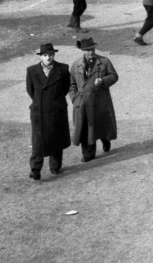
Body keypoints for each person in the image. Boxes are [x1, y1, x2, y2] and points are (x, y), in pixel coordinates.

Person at [68, 38, 118, 162]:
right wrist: (75, 98)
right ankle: (88, 154)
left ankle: (105, 140)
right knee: (86, 128)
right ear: (83, 51)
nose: (91, 52)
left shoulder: (104, 62)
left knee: (100, 125)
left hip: (99, 101)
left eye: (92, 49)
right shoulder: (76, 65)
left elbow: (114, 76)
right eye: (88, 50)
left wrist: (103, 81)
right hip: (82, 103)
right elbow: (71, 84)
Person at [26, 43, 71, 180]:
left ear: (54, 55)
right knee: (38, 141)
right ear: (40, 57)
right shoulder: (32, 71)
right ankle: (35, 170)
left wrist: (54, 101)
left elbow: (65, 88)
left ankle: (55, 166)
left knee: (56, 138)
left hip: (56, 109)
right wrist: (41, 102)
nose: (48, 58)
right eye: (45, 55)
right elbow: (31, 91)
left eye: (51, 55)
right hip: (39, 111)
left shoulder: (62, 69)